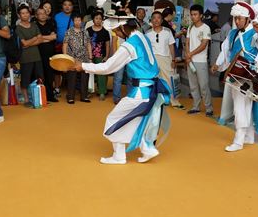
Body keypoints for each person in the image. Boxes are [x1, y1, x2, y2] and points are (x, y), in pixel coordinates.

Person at [76, 15, 171, 165]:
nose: (116, 35)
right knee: (136, 120)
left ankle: (120, 156)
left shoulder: (129, 46)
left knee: (114, 119)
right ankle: (146, 148)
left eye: (116, 31)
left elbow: (108, 67)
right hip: (150, 88)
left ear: (123, 28)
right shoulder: (142, 36)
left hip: (140, 91)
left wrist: (82, 66)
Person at [212, 2, 258, 152]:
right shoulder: (232, 33)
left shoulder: (254, 32)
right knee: (245, 105)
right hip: (234, 73)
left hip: (248, 74)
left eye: (239, 18)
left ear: (247, 19)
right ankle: (249, 136)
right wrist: (218, 64)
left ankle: (238, 140)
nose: (236, 21)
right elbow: (225, 50)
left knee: (239, 106)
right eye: (235, 18)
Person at [146, 11, 184, 109]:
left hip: (166, 59)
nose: (156, 20)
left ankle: (174, 101)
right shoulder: (147, 33)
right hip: (153, 60)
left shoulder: (167, 31)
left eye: (159, 18)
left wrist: (173, 60)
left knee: (169, 80)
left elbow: (171, 46)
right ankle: (155, 101)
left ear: (162, 20)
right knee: (153, 81)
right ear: (151, 20)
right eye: (154, 18)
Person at [185, 4, 213, 116]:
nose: (193, 17)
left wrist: (190, 54)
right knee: (193, 85)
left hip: (201, 61)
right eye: (191, 14)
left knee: (204, 86)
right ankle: (195, 106)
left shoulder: (206, 28)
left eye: (195, 14)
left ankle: (209, 108)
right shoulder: (190, 27)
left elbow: (204, 44)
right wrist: (187, 55)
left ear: (201, 15)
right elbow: (187, 42)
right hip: (190, 60)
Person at [16, 5, 44, 105]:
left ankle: (38, 99)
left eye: (27, 12)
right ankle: (27, 100)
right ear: (19, 15)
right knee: (25, 79)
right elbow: (24, 43)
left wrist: (29, 43)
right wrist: (34, 38)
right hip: (25, 57)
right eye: (22, 13)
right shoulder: (18, 28)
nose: (25, 15)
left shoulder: (34, 25)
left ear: (30, 13)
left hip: (36, 56)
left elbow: (40, 39)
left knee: (39, 77)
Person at [63, 13, 92, 104]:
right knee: (72, 77)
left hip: (84, 58)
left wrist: (90, 57)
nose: (77, 22)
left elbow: (88, 44)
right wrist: (65, 57)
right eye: (75, 20)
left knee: (85, 78)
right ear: (73, 21)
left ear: (82, 21)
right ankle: (70, 97)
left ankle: (84, 96)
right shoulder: (69, 31)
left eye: (79, 20)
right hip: (72, 58)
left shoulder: (85, 31)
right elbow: (65, 44)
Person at [86, 11, 111, 100]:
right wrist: (87, 56)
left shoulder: (105, 32)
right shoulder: (88, 30)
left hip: (101, 55)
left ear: (102, 20)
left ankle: (102, 92)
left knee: (101, 74)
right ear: (93, 19)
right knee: (88, 73)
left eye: (100, 18)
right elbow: (85, 43)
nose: (98, 20)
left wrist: (106, 56)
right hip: (89, 55)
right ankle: (88, 91)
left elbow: (108, 45)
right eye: (96, 18)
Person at [35, 7, 58, 102]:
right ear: (36, 16)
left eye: (44, 13)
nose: (43, 15)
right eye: (40, 13)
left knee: (50, 75)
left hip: (50, 53)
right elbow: (36, 39)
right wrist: (47, 38)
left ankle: (50, 96)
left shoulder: (50, 24)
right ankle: (41, 97)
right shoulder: (34, 25)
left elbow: (54, 37)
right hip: (38, 54)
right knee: (40, 75)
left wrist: (41, 38)